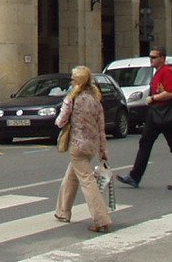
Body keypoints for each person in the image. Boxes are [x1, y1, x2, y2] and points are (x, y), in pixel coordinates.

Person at [117, 46, 172, 191]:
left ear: (162, 58)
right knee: (145, 143)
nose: (151, 59)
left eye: (153, 57)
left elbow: (170, 93)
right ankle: (134, 177)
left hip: (165, 113)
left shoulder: (167, 71)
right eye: (150, 57)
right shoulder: (157, 72)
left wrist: (153, 97)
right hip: (155, 113)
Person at [53, 66, 112, 233]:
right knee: (72, 175)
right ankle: (63, 211)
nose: (71, 81)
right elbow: (101, 128)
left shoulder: (72, 98)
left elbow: (61, 121)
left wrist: (58, 121)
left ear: (77, 81)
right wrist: (103, 150)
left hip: (77, 146)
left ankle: (101, 219)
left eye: (73, 78)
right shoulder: (95, 100)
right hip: (91, 146)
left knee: (87, 180)